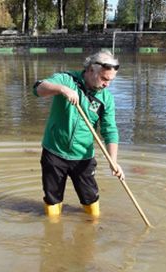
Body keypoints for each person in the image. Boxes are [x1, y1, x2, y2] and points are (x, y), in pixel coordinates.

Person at [33, 50, 124, 220]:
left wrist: (113, 161)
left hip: (83, 156)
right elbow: (38, 89)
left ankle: (92, 229)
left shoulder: (106, 99)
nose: (107, 85)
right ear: (91, 70)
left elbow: (110, 130)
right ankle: (52, 234)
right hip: (54, 151)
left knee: (90, 199)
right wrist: (61, 89)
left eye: (111, 81)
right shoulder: (67, 80)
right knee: (53, 199)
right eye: (104, 79)